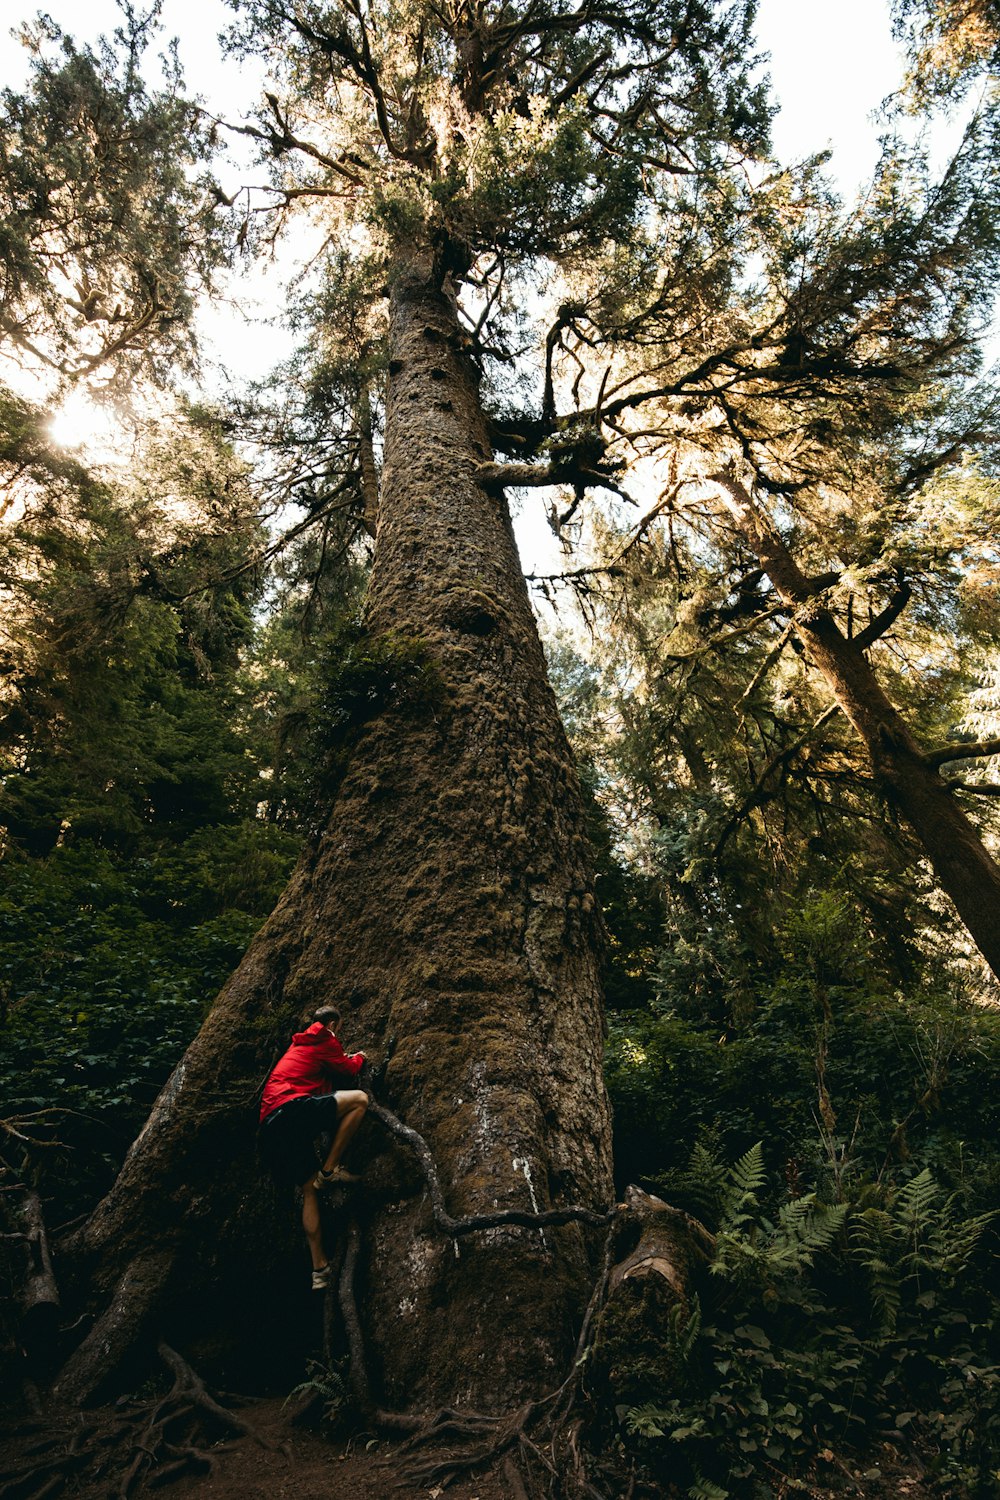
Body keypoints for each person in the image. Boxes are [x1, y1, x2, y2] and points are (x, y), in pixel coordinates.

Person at [258, 1004, 369, 1291]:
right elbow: (347, 1067)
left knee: (309, 1188)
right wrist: (359, 1057)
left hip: (271, 1124)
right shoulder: (325, 1038)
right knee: (359, 1100)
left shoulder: (300, 1045)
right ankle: (330, 1169)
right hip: (291, 1108)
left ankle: (319, 1269)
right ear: (334, 1024)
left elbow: (318, 1086)